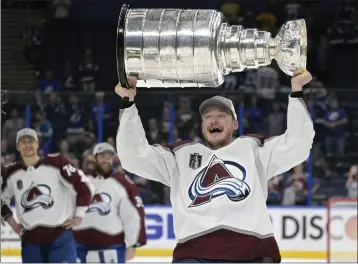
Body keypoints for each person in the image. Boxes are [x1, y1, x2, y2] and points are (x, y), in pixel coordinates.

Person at [115, 70, 315, 263]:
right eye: (208, 117)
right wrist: (128, 103)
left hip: (251, 252)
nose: (214, 120)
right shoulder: (180, 155)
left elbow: (297, 144)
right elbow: (133, 156)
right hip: (194, 253)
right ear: (202, 126)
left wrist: (297, 90)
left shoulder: (254, 149)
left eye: (221, 115)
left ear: (235, 124)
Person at [1, 128, 94, 263]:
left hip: (60, 237)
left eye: (31, 141)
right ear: (18, 146)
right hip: (30, 241)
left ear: (38, 144)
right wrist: (13, 223)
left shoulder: (57, 163)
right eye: (23, 142)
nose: (28, 145)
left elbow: (84, 185)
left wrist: (79, 215)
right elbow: (2, 201)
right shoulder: (12, 173)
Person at [73, 142, 147, 263]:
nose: (105, 160)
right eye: (102, 156)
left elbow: (132, 216)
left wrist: (132, 244)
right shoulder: (81, 181)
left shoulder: (123, 184)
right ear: (95, 158)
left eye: (109, 157)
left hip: (111, 245)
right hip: (79, 245)